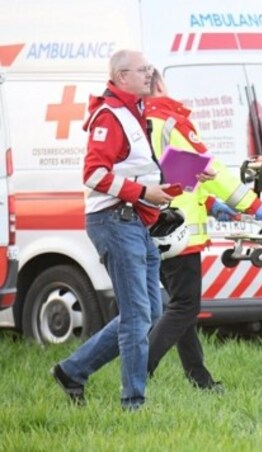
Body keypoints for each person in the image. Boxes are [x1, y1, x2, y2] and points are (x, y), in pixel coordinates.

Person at [50, 50, 174, 410]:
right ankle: (133, 403)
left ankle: (73, 370)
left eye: (150, 68)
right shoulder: (110, 115)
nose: (150, 74)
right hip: (116, 220)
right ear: (121, 76)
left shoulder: (133, 110)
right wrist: (143, 192)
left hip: (134, 219)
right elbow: (92, 174)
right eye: (143, 70)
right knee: (138, 315)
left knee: (148, 313)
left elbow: (137, 167)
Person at [144, 69, 262, 391]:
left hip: (153, 225)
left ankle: (199, 379)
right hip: (180, 232)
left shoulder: (139, 124)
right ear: (160, 84)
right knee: (184, 306)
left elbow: (181, 174)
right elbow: (207, 169)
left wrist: (212, 202)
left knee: (180, 307)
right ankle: (139, 371)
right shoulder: (172, 121)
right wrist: (253, 205)